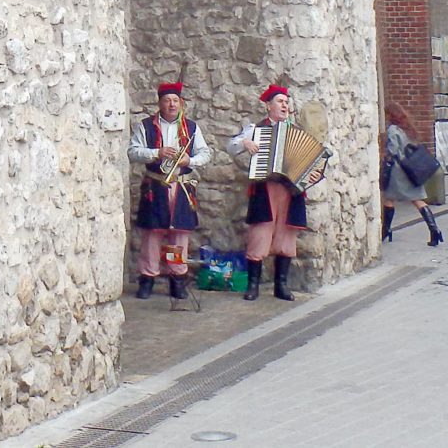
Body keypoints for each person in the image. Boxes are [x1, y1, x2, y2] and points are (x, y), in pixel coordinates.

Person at [227, 84, 323, 302]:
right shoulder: (256, 129)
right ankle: (253, 286)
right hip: (265, 189)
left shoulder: (297, 132)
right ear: (268, 106)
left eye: (286, 102)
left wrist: (313, 174)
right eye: (280, 102)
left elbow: (311, 163)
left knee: (286, 239)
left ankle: (281, 285)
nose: (284, 106)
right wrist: (244, 142)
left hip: (289, 192)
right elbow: (231, 147)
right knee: (259, 236)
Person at [128, 82, 212, 301]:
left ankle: (177, 280)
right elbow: (133, 151)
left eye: (175, 100)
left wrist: (189, 160)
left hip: (182, 186)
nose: (172, 104)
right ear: (160, 103)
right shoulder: (146, 126)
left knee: (179, 235)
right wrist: (157, 152)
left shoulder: (191, 127)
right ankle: (148, 278)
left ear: (181, 103)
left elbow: (206, 153)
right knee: (152, 234)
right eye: (167, 100)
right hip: (155, 185)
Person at [380, 102, 444, 247]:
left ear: (390, 115)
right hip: (410, 170)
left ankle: (386, 230)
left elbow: (393, 150)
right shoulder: (406, 129)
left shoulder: (392, 130)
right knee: (417, 200)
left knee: (389, 198)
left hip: (398, 170)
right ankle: (434, 230)